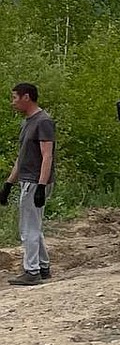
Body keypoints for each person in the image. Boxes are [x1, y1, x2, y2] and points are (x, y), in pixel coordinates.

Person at [3, 83, 56, 286]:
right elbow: (23, 157)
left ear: (26, 97)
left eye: (15, 97)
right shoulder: (28, 122)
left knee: (28, 229)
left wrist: (41, 186)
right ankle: (42, 267)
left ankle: (31, 271)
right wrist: (9, 183)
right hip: (28, 180)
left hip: (35, 182)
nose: (13, 102)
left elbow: (47, 155)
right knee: (34, 226)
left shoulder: (43, 122)